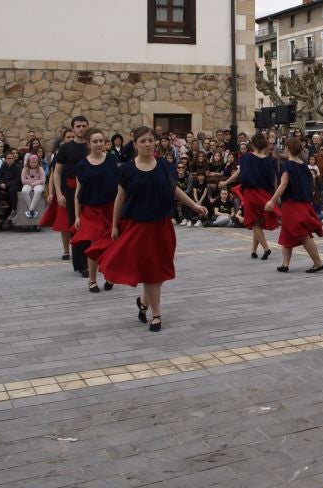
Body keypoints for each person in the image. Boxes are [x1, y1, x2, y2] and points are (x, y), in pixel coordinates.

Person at [98, 126, 207, 332]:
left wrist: (193, 205)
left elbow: (174, 190)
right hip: (138, 227)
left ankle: (143, 301)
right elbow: (119, 199)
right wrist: (114, 225)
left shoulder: (164, 166)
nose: (148, 144)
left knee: (159, 271)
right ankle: (156, 315)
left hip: (162, 226)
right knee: (151, 273)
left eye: (150, 140)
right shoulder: (126, 170)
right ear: (135, 144)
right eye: (143, 141)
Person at [264, 138, 323, 273]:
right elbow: (310, 186)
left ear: (288, 149)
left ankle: (318, 262)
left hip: (292, 204)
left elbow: (284, 184)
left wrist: (272, 201)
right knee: (287, 232)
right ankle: (285, 264)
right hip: (304, 203)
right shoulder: (304, 166)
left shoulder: (288, 165)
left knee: (303, 234)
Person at [72, 129, 119, 292]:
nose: (98, 144)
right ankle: (92, 280)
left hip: (110, 208)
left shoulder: (112, 160)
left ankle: (110, 275)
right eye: (95, 141)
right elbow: (78, 192)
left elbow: (120, 187)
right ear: (88, 143)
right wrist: (77, 216)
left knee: (112, 243)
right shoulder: (82, 166)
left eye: (101, 141)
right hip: (90, 210)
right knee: (94, 243)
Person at [221, 134, 279, 259]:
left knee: (255, 223)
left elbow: (237, 174)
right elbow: (273, 180)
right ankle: (253, 250)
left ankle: (266, 248)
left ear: (252, 145)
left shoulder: (246, 158)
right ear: (264, 145)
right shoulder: (269, 161)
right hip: (264, 194)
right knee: (257, 222)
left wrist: (225, 183)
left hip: (251, 194)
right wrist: (273, 195)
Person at [52, 116, 90, 275]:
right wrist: (59, 193)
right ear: (73, 128)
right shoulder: (66, 148)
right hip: (71, 190)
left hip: (91, 191)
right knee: (76, 225)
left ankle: (92, 260)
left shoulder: (92, 146)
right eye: (78, 126)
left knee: (91, 225)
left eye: (84, 126)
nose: (81, 128)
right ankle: (81, 264)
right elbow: (57, 172)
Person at [39, 131, 75, 260]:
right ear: (64, 140)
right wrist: (52, 192)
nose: (71, 139)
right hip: (63, 193)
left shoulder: (81, 153)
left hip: (77, 193)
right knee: (64, 224)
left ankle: (79, 250)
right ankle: (66, 250)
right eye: (68, 137)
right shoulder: (59, 156)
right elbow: (53, 175)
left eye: (73, 137)